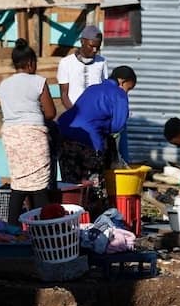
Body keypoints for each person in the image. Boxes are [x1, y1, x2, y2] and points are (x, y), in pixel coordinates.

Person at [0, 39, 57, 224]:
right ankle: (45, 231)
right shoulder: (38, 81)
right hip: (33, 136)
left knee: (19, 183)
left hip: (11, 136)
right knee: (39, 185)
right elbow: (50, 112)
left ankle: (11, 229)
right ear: (30, 63)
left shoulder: (3, 86)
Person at [58, 66, 136, 206]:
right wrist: (104, 128)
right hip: (89, 142)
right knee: (93, 188)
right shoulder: (119, 93)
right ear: (123, 82)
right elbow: (118, 126)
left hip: (64, 136)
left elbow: (81, 113)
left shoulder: (92, 88)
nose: (127, 92)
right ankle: (94, 220)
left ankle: (71, 219)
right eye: (128, 89)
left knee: (71, 186)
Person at [57, 25, 108, 110]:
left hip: (96, 112)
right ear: (82, 41)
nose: (95, 50)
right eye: (91, 46)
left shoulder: (102, 61)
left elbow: (104, 89)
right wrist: (73, 113)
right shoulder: (66, 63)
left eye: (97, 47)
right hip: (74, 112)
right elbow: (64, 95)